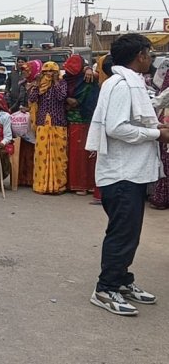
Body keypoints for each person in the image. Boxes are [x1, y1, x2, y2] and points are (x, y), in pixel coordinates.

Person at [86, 33, 166, 316]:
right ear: (139, 56)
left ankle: (121, 281)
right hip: (121, 174)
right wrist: (157, 133)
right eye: (149, 53)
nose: (151, 58)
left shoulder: (131, 83)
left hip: (131, 172)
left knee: (128, 232)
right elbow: (116, 128)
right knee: (122, 234)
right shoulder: (122, 85)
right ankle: (105, 289)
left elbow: (140, 113)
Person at [28, 61, 68, 195]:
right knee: (42, 154)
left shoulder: (62, 83)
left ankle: (58, 185)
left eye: (52, 71)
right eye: (46, 72)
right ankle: (41, 184)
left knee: (59, 155)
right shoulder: (39, 84)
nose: (49, 74)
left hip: (58, 122)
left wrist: (56, 82)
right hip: (42, 123)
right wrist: (37, 84)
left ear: (57, 73)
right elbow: (32, 98)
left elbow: (61, 96)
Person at [64, 55, 99, 198]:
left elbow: (81, 101)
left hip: (86, 120)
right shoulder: (66, 79)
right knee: (73, 153)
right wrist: (66, 99)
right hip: (70, 122)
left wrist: (73, 102)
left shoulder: (88, 80)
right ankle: (75, 183)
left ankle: (86, 185)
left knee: (85, 153)